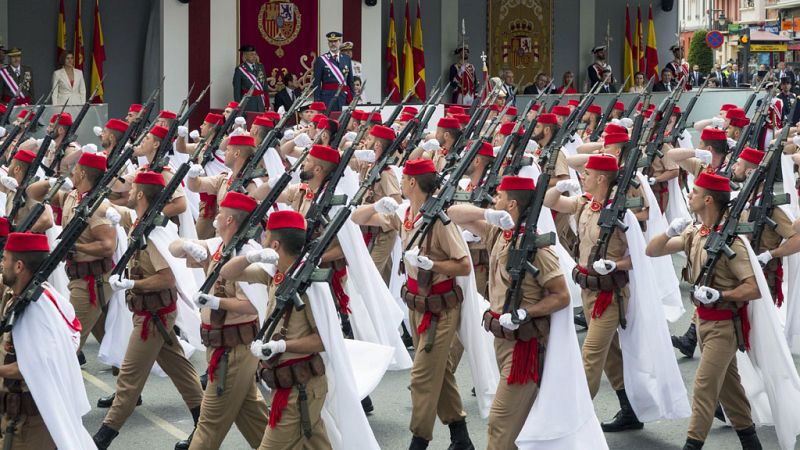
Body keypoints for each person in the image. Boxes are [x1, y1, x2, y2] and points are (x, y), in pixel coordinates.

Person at [351, 158, 474, 450]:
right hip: (416, 305)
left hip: (440, 309)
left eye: (405, 178)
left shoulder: (440, 221)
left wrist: (434, 263)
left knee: (421, 376)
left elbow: (464, 265)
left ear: (412, 183)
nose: (401, 181)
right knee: (439, 372)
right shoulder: (406, 213)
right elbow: (357, 218)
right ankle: (461, 436)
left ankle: (419, 441)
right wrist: (377, 207)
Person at [447, 176, 571, 450]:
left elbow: (561, 295)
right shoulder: (499, 234)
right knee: (520, 426)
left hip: (525, 349)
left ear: (512, 203)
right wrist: (488, 213)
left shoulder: (538, 248)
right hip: (502, 341)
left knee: (500, 425)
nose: (494, 199)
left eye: (499, 197)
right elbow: (453, 214)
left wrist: (526, 313)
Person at [645, 172, 762, 450]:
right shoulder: (694, 233)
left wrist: (723, 294)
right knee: (729, 389)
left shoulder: (732, 243)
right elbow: (652, 251)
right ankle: (751, 442)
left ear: (708, 199)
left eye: (694, 192)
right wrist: (669, 231)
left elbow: (753, 288)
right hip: (703, 322)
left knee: (704, 388)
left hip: (724, 326)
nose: (689, 195)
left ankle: (692, 445)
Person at [92, 171, 204, 450]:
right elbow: (114, 208)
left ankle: (103, 437)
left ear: (142, 194)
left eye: (133, 189)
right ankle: (204, 423)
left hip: (153, 317)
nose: (128, 191)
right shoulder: (142, 223)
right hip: (152, 313)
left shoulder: (152, 233)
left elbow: (167, 278)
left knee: (128, 377)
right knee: (180, 369)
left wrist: (132, 283)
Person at [544, 154, 643, 432]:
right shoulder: (585, 204)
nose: (582, 177)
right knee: (610, 356)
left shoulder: (620, 212)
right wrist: (558, 188)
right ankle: (630, 409)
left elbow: (640, 256)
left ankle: (572, 421)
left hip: (610, 296)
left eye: (587, 174)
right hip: (588, 291)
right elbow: (550, 202)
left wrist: (616, 264)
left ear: (601, 178)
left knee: (590, 355)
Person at [168, 192, 269, 449]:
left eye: (222, 212)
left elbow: (254, 306)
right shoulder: (219, 246)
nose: (217, 215)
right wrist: (186, 246)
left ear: (230, 221)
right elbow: (173, 248)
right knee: (253, 416)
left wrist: (217, 303)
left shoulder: (247, 254)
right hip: (220, 346)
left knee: (209, 422)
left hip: (234, 350)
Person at [0, 231, 96, 449]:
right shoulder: (26, 297)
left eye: (5, 258)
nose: (1, 263)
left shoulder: (36, 309)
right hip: (16, 414)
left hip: (30, 421)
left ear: (19, 266)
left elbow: (35, 366)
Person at [28, 152, 115, 354]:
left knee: (67, 337)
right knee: (99, 329)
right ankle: (117, 360)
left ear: (83, 173)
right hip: (78, 275)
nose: (72, 173)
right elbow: (33, 193)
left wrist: (76, 247)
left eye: (75, 170)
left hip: (92, 281)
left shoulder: (99, 206)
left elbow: (108, 246)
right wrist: (52, 182)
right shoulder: (72, 196)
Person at [312, 31, 354, 112]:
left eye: (335, 41)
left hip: (344, 98)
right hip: (327, 98)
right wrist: (317, 101)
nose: (333, 44)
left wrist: (352, 98)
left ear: (340, 42)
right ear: (328, 43)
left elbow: (350, 81)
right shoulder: (321, 60)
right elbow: (316, 83)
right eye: (330, 41)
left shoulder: (346, 59)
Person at [232, 44, 268, 112]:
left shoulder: (260, 67)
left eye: (255, 54)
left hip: (261, 101)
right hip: (248, 104)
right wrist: (239, 106)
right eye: (251, 54)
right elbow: (237, 91)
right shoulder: (240, 69)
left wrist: (267, 102)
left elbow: (265, 86)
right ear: (245, 56)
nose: (254, 56)